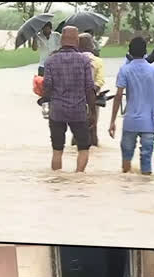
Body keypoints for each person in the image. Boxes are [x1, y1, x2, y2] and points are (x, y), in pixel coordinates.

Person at [108, 37, 154, 176]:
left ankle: (126, 188)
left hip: (131, 121)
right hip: (149, 122)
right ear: (145, 51)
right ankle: (145, 189)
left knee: (126, 158)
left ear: (129, 51)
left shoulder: (125, 70)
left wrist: (112, 121)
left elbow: (118, 96)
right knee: (146, 159)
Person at [42, 26, 95, 172]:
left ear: (61, 41)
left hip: (57, 112)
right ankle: (78, 178)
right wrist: (93, 112)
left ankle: (58, 181)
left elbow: (47, 87)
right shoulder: (84, 61)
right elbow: (89, 88)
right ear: (77, 41)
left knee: (57, 150)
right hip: (78, 112)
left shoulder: (50, 61)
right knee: (83, 148)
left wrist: (45, 101)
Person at [78, 33, 104, 147]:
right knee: (94, 126)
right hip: (94, 98)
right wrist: (92, 92)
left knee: (77, 128)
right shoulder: (98, 61)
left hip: (76, 98)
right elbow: (100, 81)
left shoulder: (74, 59)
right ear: (91, 45)